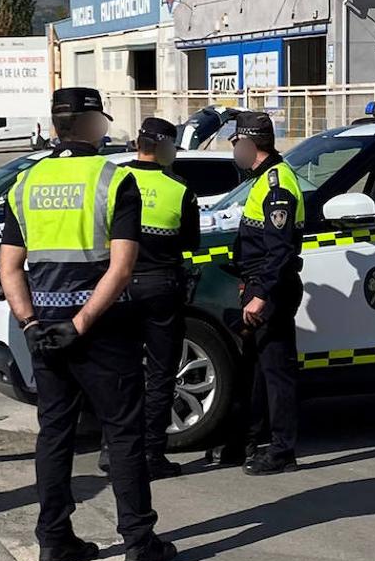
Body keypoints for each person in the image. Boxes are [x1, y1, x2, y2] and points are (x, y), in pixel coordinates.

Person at [0, 88, 176, 561]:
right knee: (122, 434)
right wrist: (80, 325)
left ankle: (54, 541)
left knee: (54, 433)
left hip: (45, 330)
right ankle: (139, 543)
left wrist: (31, 323)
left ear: (56, 125)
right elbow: (121, 269)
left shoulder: (25, 183)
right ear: (94, 125)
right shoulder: (113, 179)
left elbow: (10, 267)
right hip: (102, 327)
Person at [207, 111, 305, 475]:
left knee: (276, 372)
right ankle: (247, 442)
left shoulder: (277, 184)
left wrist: (260, 295)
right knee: (256, 371)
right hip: (258, 285)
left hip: (272, 290)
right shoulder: (262, 179)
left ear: (249, 144)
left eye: (235, 144)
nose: (234, 151)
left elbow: (279, 250)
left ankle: (282, 450)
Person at [103, 117, 199, 479]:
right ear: (164, 147)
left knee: (120, 371)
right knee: (160, 374)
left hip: (117, 286)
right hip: (162, 287)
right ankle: (151, 455)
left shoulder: (115, 179)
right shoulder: (178, 187)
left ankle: (111, 449)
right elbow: (190, 241)